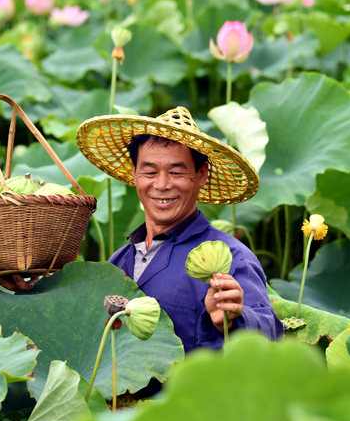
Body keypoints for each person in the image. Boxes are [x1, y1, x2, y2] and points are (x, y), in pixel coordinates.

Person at [73, 106, 283, 351]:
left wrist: (236, 319)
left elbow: (271, 335)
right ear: (135, 173)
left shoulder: (230, 257)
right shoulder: (118, 262)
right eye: (150, 172)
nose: (161, 185)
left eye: (176, 172)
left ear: (202, 175)